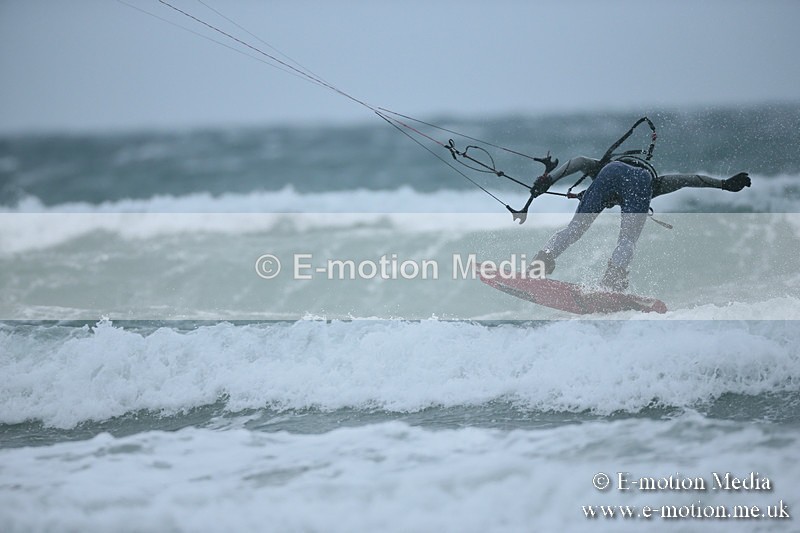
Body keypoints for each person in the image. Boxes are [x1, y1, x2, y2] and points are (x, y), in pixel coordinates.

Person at [528, 155, 751, 291]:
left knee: (574, 229)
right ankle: (611, 282)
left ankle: (540, 263)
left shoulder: (605, 167)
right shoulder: (655, 184)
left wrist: (548, 180)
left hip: (610, 172)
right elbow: (689, 179)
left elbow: (578, 161)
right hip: (640, 181)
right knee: (627, 240)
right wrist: (723, 184)